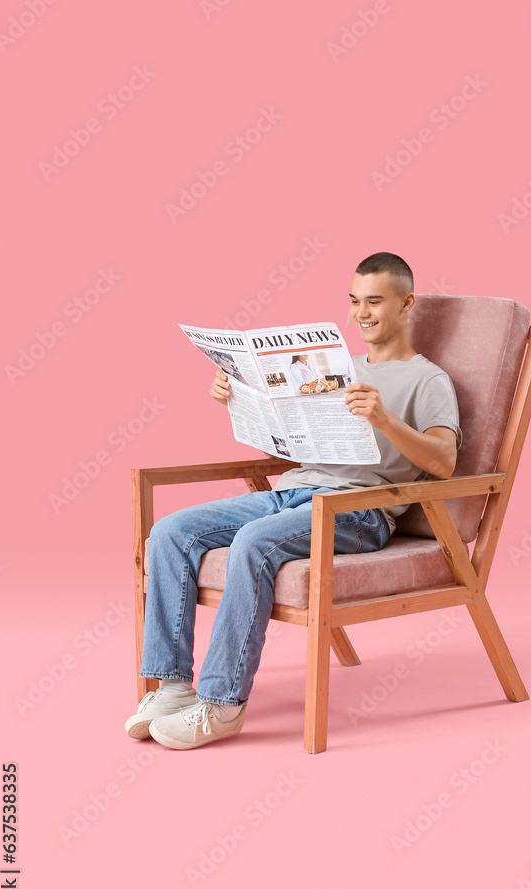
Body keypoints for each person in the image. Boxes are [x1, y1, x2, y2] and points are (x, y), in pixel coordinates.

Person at [125, 252, 461, 750]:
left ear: (405, 302)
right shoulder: (339, 369)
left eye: (374, 301)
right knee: (171, 531)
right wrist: (241, 401)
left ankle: (222, 705)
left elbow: (445, 462)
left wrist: (386, 420)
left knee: (254, 543)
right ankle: (172, 688)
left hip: (357, 510)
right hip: (293, 491)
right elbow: (290, 448)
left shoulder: (426, 379)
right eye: (353, 301)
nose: (361, 313)